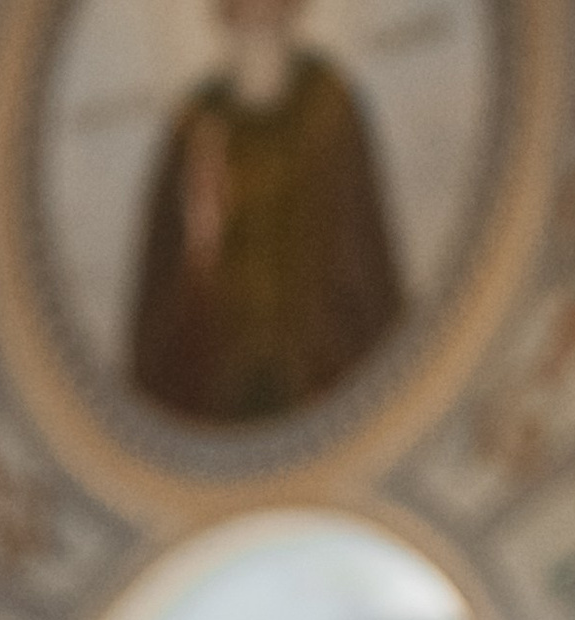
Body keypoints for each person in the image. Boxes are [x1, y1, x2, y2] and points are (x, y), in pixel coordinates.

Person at [128, 0, 405, 426]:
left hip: (325, 384)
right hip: (218, 399)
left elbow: (365, 262)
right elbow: (162, 292)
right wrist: (202, 244)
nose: (258, 12)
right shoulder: (196, 128)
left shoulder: (328, 109)